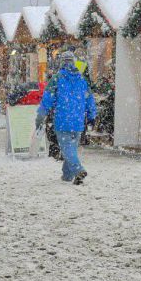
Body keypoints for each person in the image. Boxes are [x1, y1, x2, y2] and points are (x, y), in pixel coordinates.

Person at [36, 51, 97, 185]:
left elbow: (47, 99)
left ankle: (78, 169)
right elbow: (90, 99)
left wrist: (40, 116)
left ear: (62, 62)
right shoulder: (82, 80)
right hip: (78, 121)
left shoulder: (57, 79)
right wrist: (92, 115)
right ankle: (67, 175)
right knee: (71, 148)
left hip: (62, 120)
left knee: (67, 149)